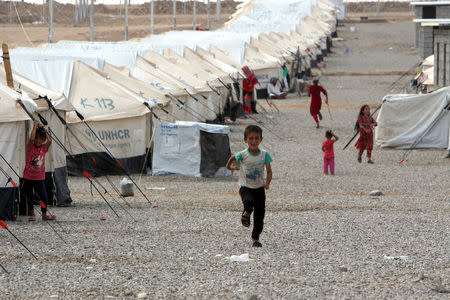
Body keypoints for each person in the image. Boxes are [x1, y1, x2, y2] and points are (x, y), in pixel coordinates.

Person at [226, 125, 272, 248]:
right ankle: (246, 213)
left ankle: (255, 238)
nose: (254, 141)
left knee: (260, 215)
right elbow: (232, 158)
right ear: (245, 140)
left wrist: (267, 183)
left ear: (261, 139)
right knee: (248, 201)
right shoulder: (243, 154)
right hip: (245, 186)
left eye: (257, 138)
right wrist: (229, 167)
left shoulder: (264, 155)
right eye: (251, 138)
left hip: (259, 188)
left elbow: (269, 171)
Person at [23, 120, 55, 221]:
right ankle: (32, 213)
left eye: (41, 139)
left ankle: (44, 214)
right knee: (29, 195)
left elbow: (49, 140)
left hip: (39, 177)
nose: (38, 140)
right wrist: (35, 126)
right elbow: (32, 138)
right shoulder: (30, 147)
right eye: (37, 138)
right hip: (28, 176)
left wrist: (44, 129)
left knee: (43, 196)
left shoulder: (44, 148)